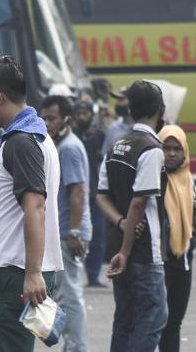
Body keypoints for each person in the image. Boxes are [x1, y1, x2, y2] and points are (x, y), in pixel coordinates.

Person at [0, 56, 63, 352]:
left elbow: (35, 206)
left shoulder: (22, 142)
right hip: (11, 270)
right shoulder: (33, 137)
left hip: (14, 272)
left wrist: (33, 273)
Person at [96, 80, 168, 352]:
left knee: (124, 322)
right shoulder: (151, 149)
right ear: (160, 111)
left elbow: (101, 196)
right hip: (143, 255)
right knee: (151, 321)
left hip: (120, 249)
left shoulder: (116, 146)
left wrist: (120, 223)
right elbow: (139, 202)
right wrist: (126, 250)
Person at [41, 95, 91, 351]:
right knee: (65, 294)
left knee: (70, 296)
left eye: (52, 118)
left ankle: (76, 347)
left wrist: (73, 231)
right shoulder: (61, 144)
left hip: (68, 232)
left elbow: (78, 191)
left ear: (66, 119)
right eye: (44, 117)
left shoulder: (69, 148)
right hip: (64, 231)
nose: (47, 123)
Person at [157, 125, 194, 352]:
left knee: (174, 323)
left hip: (182, 263)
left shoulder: (188, 181)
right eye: (165, 148)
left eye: (176, 149)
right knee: (152, 324)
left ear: (184, 152)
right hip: (156, 264)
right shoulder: (152, 180)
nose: (171, 153)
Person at [73, 99, 108, 287]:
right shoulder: (71, 137)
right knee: (77, 235)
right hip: (76, 193)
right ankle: (77, 274)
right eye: (78, 113)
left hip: (94, 193)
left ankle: (93, 275)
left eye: (84, 113)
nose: (81, 117)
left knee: (98, 235)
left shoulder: (99, 137)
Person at [102, 87, 133, 156]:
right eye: (117, 99)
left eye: (121, 99)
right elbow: (105, 155)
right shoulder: (113, 128)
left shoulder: (140, 127)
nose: (117, 103)